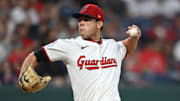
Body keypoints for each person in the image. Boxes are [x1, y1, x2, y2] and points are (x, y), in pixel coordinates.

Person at [18, 3, 141, 101]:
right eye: (80, 20)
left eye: (87, 20)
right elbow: (35, 55)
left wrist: (134, 38)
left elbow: (128, 47)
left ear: (99, 24)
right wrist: (22, 75)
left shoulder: (113, 46)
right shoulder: (69, 46)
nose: (81, 23)